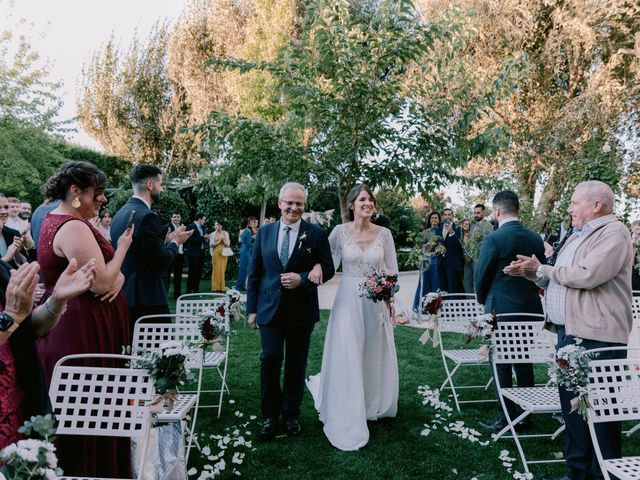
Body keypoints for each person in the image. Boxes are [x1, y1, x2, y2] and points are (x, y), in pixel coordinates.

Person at [504, 180, 633, 480]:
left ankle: (604, 474)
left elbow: (587, 275)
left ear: (596, 205)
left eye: (575, 202)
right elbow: (560, 277)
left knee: (600, 410)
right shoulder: (577, 236)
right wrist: (535, 273)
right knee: (573, 409)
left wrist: (542, 269)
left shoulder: (614, 232)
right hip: (568, 333)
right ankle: (577, 473)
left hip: (597, 336)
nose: (570, 208)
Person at [36, 161, 134, 477]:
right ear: (76, 192)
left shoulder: (65, 220)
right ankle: (90, 469)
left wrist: (117, 279)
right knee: (91, 411)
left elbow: (107, 278)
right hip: (82, 329)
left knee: (96, 408)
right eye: (98, 193)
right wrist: (121, 250)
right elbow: (103, 282)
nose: (103, 199)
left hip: (86, 322)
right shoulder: (73, 226)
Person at [306, 185, 399, 451]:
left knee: (371, 350)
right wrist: (314, 267)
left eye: (371, 199)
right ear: (351, 205)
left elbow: (391, 271)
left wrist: (387, 293)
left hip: (374, 303)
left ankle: (372, 404)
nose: (367, 203)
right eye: (362, 199)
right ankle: (347, 406)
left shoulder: (385, 234)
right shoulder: (338, 232)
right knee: (348, 350)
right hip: (348, 300)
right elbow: (327, 263)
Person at [247, 182, 334, 441]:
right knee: (270, 360)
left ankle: (291, 413)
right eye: (289, 202)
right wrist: (251, 309)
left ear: (304, 207)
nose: (294, 207)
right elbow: (255, 273)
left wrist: (304, 278)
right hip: (269, 310)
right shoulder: (264, 233)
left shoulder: (316, 234)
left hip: (301, 311)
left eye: (299, 203)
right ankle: (270, 416)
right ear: (280, 203)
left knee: (296, 365)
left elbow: (327, 269)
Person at [0, 259, 96, 449]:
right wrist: (10, 317)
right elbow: (13, 319)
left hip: (18, 424)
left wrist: (57, 300)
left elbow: (27, 328)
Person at [473, 190, 546, 432]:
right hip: (532, 309)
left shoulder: (494, 238)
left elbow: (481, 276)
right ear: (517, 209)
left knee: (501, 362)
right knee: (523, 361)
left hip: (501, 309)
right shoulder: (535, 238)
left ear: (496, 211)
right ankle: (525, 414)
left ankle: (507, 416)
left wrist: (484, 302)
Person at [111, 165, 192, 330]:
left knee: (129, 352)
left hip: (125, 295)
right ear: (150, 185)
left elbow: (142, 254)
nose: (162, 189)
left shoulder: (119, 214)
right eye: (160, 184)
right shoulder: (148, 217)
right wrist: (176, 243)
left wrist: (166, 242)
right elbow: (161, 261)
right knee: (162, 352)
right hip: (148, 299)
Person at [412, 211, 443, 313]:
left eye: (436, 218)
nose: (434, 220)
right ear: (430, 220)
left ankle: (436, 307)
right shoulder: (425, 232)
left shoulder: (442, 231)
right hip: (426, 259)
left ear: (439, 220)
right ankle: (423, 307)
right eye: (432, 218)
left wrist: (440, 248)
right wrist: (429, 244)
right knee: (424, 283)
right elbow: (421, 247)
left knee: (436, 282)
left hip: (437, 259)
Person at [441, 208, 465, 293]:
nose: (447, 216)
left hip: (454, 264)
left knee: (454, 289)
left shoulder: (458, 228)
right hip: (441, 264)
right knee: (444, 289)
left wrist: (451, 232)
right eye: (445, 215)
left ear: (452, 216)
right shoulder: (440, 227)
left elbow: (459, 245)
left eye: (449, 214)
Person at [185, 213, 207, 294]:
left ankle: (196, 289)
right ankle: (188, 290)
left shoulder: (202, 228)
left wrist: (205, 239)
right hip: (193, 253)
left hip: (201, 253)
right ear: (199, 219)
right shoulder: (191, 226)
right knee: (192, 272)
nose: (204, 221)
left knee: (198, 272)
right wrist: (202, 238)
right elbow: (190, 240)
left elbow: (201, 239)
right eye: (204, 219)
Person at [165, 211, 185, 299]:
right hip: (170, 253)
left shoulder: (182, 227)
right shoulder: (167, 227)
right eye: (175, 217)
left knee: (178, 275)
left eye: (178, 217)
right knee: (167, 275)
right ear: (171, 218)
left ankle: (177, 294)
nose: (176, 218)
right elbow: (166, 241)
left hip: (180, 254)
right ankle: (164, 293)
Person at [210, 220, 231, 293]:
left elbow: (228, 244)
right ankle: (215, 288)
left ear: (221, 226)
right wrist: (219, 241)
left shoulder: (226, 233)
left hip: (224, 254)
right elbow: (211, 245)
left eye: (218, 225)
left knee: (222, 270)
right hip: (216, 253)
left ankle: (222, 287)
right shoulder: (213, 234)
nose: (216, 226)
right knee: (216, 270)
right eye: (215, 225)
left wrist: (223, 239)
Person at [235, 218, 253, 292]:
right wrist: (256, 245)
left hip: (242, 248)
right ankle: (244, 285)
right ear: (247, 224)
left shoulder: (241, 230)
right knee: (246, 268)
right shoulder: (248, 231)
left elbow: (240, 240)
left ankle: (240, 285)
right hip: (246, 250)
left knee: (242, 268)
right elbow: (249, 244)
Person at [461, 218, 474, 293]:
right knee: (466, 281)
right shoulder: (460, 235)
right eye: (464, 224)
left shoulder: (472, 235)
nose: (465, 225)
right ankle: (469, 299)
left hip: (473, 259)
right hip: (464, 261)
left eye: (467, 224)